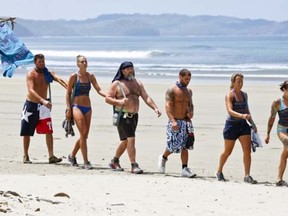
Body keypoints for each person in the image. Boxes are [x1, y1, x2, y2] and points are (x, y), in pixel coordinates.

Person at [105, 61, 162, 174]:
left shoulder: (137, 83)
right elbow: (107, 98)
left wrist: (155, 108)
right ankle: (134, 165)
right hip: (123, 116)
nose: (131, 70)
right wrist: (120, 101)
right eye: (128, 68)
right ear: (122, 71)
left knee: (126, 141)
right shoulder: (117, 84)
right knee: (131, 139)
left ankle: (114, 161)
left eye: (132, 68)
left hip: (134, 116)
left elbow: (146, 97)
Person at [20, 53, 67, 164]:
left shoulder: (47, 73)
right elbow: (31, 90)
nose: (42, 64)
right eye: (40, 62)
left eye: (43, 62)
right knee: (27, 132)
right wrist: (43, 100)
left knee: (49, 131)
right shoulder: (31, 74)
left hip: (44, 107)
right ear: (35, 62)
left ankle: (51, 156)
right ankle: (25, 155)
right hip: (31, 105)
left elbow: (59, 79)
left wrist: (69, 87)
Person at [66, 55, 106, 170]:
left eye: (85, 61)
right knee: (83, 132)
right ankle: (86, 161)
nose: (84, 63)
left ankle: (72, 155)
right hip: (76, 107)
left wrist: (109, 95)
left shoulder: (90, 76)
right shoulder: (74, 76)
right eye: (82, 62)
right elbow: (68, 93)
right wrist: (69, 108)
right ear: (77, 64)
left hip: (88, 108)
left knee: (85, 135)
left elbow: (99, 90)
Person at [216, 73, 258, 184]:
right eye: (238, 81)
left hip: (243, 126)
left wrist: (252, 123)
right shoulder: (230, 95)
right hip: (231, 126)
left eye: (242, 81)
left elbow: (246, 109)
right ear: (233, 82)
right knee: (227, 151)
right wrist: (241, 116)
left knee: (247, 151)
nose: (240, 83)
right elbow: (229, 110)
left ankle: (247, 176)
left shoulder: (245, 95)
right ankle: (219, 171)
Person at [157, 69, 196, 178]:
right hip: (174, 121)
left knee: (185, 146)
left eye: (189, 79)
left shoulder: (189, 91)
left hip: (185, 122)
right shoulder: (172, 90)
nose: (188, 81)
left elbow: (191, 104)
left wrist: (191, 112)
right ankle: (163, 157)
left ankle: (184, 168)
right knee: (173, 146)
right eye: (186, 79)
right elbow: (168, 106)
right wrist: (173, 121)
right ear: (180, 77)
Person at [265, 80, 288, 186]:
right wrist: (268, 134)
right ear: (284, 89)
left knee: (286, 152)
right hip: (282, 130)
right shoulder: (277, 102)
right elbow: (272, 118)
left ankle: (279, 179)